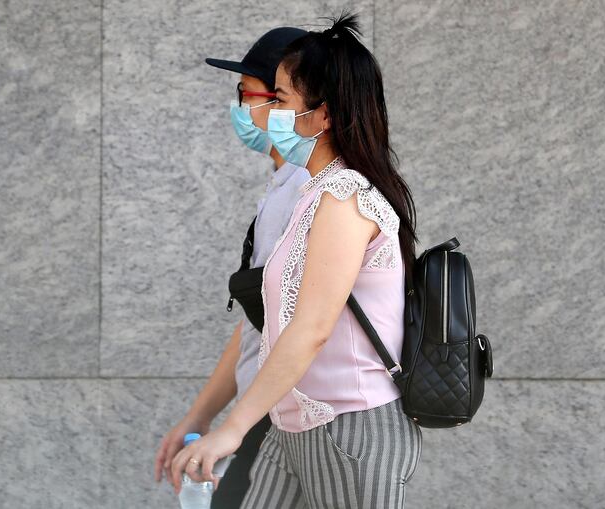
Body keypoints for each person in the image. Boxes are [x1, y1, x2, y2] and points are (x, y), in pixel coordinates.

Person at [168, 12, 423, 509]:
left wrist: (233, 428)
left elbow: (311, 328)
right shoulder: (315, 193)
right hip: (296, 427)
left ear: (324, 115)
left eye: (280, 100)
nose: (265, 114)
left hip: (349, 432)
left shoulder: (347, 197)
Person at [153, 26, 310, 509]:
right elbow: (257, 325)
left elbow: (306, 326)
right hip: (266, 410)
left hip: (283, 413)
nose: (240, 107)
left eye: (249, 93)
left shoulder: (308, 190)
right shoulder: (284, 184)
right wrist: (199, 418)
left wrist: (232, 428)